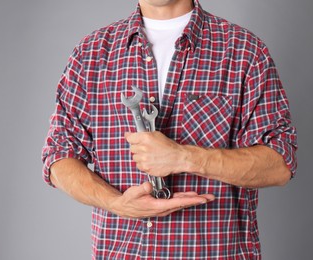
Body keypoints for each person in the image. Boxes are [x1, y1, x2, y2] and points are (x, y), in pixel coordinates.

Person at [42, 0, 297, 259]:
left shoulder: (244, 51)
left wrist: (184, 157)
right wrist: (116, 204)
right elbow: (58, 158)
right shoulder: (91, 54)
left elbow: (279, 164)